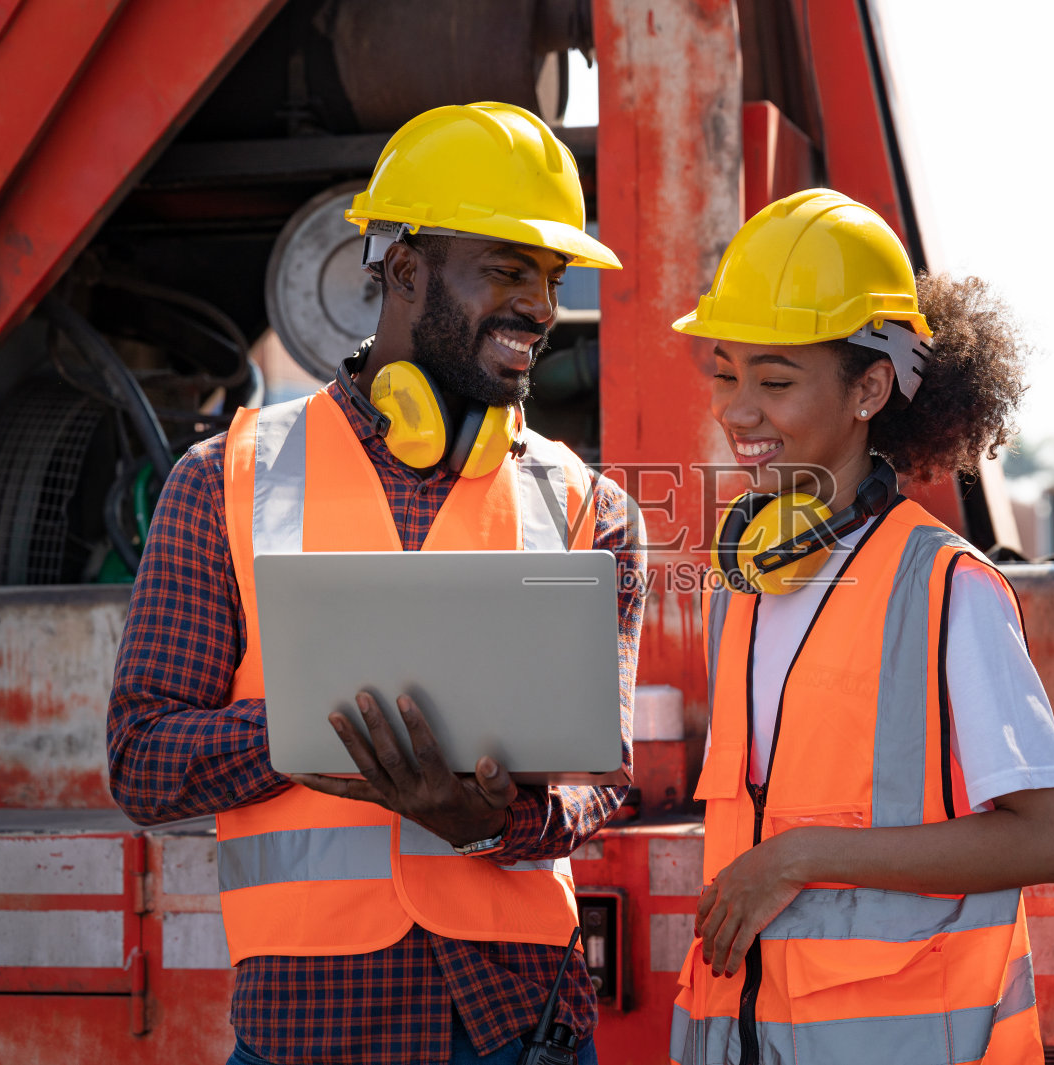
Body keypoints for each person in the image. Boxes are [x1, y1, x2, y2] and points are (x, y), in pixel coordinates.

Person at [106, 102, 643, 1065]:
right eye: (508, 269)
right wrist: (307, 732)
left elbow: (607, 782)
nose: (540, 307)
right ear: (404, 271)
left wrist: (494, 824)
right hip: (311, 1021)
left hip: (520, 1020)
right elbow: (142, 759)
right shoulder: (223, 477)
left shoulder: (586, 504)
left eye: (552, 278)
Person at [668, 189, 1054, 1065]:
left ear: (869, 386)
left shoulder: (946, 589)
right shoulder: (739, 585)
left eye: (775, 380)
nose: (738, 409)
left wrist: (801, 855)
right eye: (724, 370)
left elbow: (1052, 839)